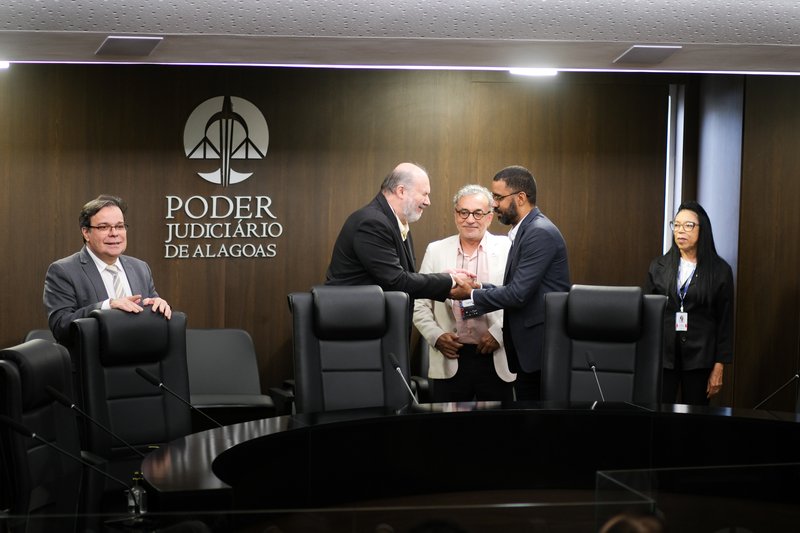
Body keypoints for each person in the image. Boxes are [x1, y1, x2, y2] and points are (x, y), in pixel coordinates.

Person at [465, 165, 571, 401]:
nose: (494, 204)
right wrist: (478, 288)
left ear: (520, 198)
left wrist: (471, 296)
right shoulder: (525, 231)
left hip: (541, 352)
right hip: (529, 351)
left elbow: (517, 294)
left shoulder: (539, 232)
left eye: (498, 197)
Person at [413, 184, 515, 402]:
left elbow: (518, 299)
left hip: (495, 354)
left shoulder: (508, 248)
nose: (470, 219)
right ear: (455, 215)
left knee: (500, 423)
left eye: (478, 213)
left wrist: (500, 333)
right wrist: (436, 336)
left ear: (489, 217)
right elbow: (419, 304)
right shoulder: (436, 250)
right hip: (451, 354)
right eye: (464, 212)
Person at [325, 162, 476, 302]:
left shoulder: (396, 221)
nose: (428, 202)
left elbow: (403, 277)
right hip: (356, 319)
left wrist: (443, 277)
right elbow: (396, 281)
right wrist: (449, 280)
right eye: (424, 194)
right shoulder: (372, 223)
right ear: (401, 191)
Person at [44, 195, 172, 346]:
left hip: (140, 356)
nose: (114, 233)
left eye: (119, 226)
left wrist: (158, 307)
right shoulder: (63, 271)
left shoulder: (140, 268)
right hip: (93, 359)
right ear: (86, 232)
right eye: (104, 227)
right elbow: (61, 326)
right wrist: (107, 306)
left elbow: (150, 313)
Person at [645, 201, 734, 405]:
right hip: (664, 357)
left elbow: (725, 322)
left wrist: (719, 365)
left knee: (695, 416)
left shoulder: (720, 271)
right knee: (661, 413)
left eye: (688, 225)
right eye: (676, 225)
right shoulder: (658, 266)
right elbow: (648, 315)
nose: (680, 230)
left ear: (702, 229)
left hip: (700, 359)